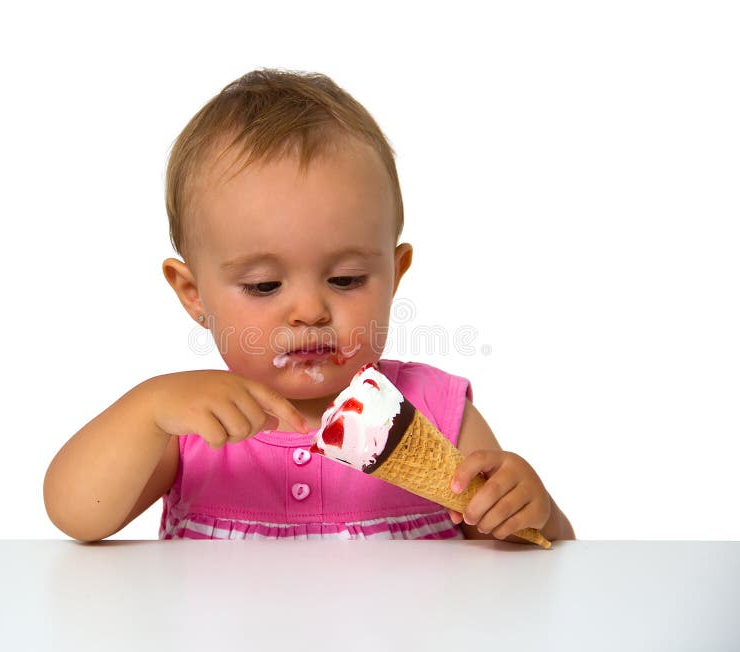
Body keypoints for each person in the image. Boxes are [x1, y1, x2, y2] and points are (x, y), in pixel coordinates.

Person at [44, 68, 575, 544]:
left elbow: (524, 556)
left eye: (345, 279)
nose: (308, 311)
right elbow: (76, 516)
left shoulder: (434, 412)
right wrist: (148, 408)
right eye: (264, 285)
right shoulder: (193, 427)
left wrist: (530, 510)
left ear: (395, 276)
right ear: (193, 295)